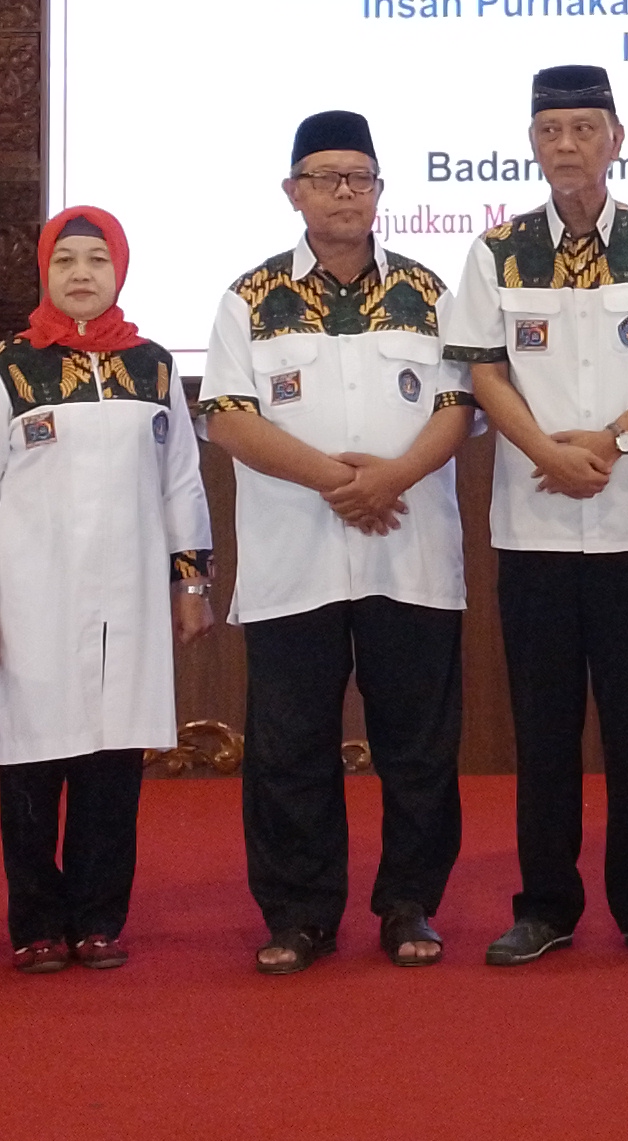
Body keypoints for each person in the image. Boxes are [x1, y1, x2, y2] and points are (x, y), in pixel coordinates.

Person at [446, 64, 628, 967]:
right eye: (551, 130)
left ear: (616, 139)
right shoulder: (495, 252)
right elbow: (485, 369)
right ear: (534, 142)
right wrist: (546, 452)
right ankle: (546, 905)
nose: (567, 144)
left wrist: (612, 442)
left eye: (584, 128)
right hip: (532, 527)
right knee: (543, 724)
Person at [201, 111, 475, 973]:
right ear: (294, 192)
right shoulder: (250, 297)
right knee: (288, 744)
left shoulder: (431, 292)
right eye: (326, 178)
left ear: (381, 191)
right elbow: (228, 417)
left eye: (360, 178)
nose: (345, 192)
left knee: (418, 745)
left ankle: (409, 906)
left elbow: (459, 407)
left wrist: (390, 480)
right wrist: (339, 480)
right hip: (297, 557)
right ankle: (299, 915)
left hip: (409, 550)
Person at [0, 209, 212, 969]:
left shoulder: (153, 367)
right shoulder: (6, 366)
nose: (82, 273)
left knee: (111, 762)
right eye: (66, 260)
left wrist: (190, 582)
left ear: (119, 271)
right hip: (32, 600)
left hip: (126, 599)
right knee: (33, 759)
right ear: (45, 271)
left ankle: (99, 917)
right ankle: (35, 923)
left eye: (98, 259)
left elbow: (181, 481)